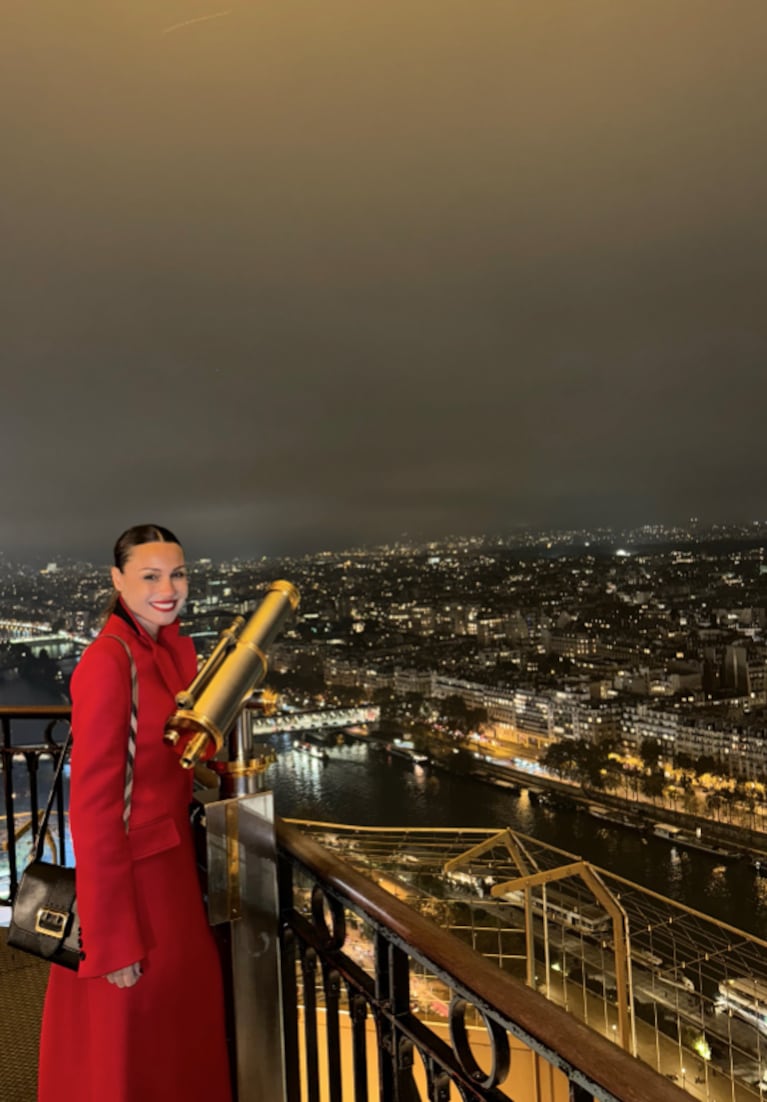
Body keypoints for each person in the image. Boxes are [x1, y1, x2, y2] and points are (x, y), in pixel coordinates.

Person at [38, 525, 232, 1102]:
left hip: (170, 874)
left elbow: (174, 748)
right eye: (150, 576)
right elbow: (93, 810)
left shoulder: (175, 648)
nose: (168, 588)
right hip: (131, 889)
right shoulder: (107, 662)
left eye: (177, 573)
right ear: (117, 580)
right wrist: (111, 940)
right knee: (138, 1040)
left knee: (173, 1033)